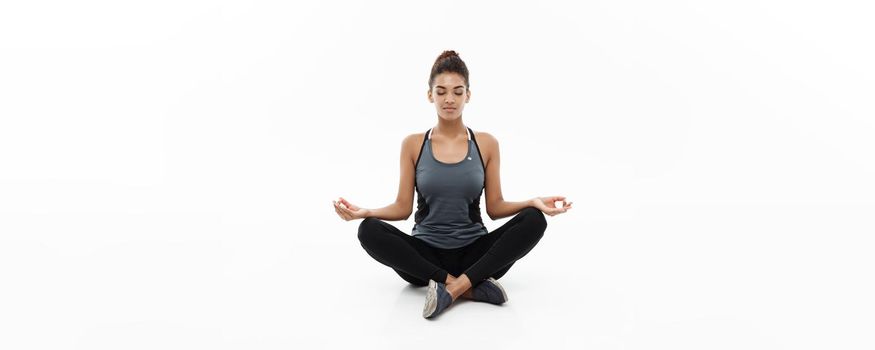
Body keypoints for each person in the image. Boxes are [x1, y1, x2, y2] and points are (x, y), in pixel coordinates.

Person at [332, 50, 572, 319]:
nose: (449, 99)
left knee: (534, 220)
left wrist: (532, 202)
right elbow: (402, 208)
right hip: (425, 259)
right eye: (441, 91)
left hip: (476, 255)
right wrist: (365, 212)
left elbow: (495, 207)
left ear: (468, 95)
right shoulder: (413, 144)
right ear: (429, 95)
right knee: (368, 230)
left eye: (458, 92)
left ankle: (452, 288)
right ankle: (470, 288)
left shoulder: (486, 144)